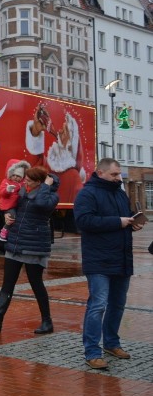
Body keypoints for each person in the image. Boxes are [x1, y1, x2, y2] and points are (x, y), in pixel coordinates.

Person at [73, 158, 143, 370]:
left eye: (118, 174)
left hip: (121, 258)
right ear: (100, 172)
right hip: (98, 260)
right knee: (98, 305)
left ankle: (112, 343)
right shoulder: (87, 194)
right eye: (114, 174)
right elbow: (83, 222)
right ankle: (92, 352)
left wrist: (132, 223)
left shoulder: (120, 193)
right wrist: (118, 222)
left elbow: (123, 219)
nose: (118, 178)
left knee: (117, 304)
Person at [0, 166, 59, 334]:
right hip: (16, 242)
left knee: (36, 284)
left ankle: (47, 322)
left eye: (29, 180)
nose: (25, 182)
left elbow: (42, 205)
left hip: (34, 246)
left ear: (39, 182)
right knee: (7, 284)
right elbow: (10, 202)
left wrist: (46, 186)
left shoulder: (51, 195)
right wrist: (9, 213)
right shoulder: (23, 191)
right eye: (26, 179)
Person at [0, 159, 30, 242]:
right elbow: (2, 193)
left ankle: (12, 235)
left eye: (18, 176)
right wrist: (7, 190)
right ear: (10, 174)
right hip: (9, 206)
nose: (16, 177)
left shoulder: (23, 184)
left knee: (17, 220)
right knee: (12, 218)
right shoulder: (6, 182)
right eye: (14, 175)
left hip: (17, 206)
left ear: (22, 177)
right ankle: (4, 231)